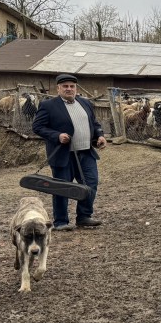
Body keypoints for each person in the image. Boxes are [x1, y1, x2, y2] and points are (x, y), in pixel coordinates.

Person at [32, 73, 106, 231]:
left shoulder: (85, 103)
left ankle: (84, 217)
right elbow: (37, 127)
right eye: (65, 86)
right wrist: (57, 136)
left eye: (72, 86)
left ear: (76, 88)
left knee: (90, 184)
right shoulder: (48, 105)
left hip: (86, 153)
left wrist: (99, 136)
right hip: (63, 155)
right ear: (58, 88)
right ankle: (61, 221)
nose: (69, 89)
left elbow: (94, 123)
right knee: (62, 188)